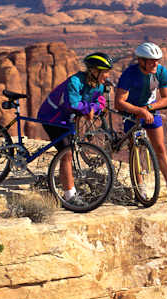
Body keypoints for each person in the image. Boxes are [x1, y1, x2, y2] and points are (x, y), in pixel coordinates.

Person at [114, 42, 167, 202]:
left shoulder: (160, 72)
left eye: (157, 60)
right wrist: (139, 110)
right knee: (135, 151)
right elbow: (119, 102)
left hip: (151, 111)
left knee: (160, 148)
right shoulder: (129, 74)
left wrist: (148, 107)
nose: (155, 63)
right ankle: (140, 190)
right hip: (132, 114)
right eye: (151, 61)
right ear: (141, 61)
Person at [37, 52, 112, 202]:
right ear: (94, 71)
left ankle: (69, 189)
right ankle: (70, 196)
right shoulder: (75, 81)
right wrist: (87, 109)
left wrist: (93, 108)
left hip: (68, 119)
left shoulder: (98, 85)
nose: (107, 76)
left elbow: (101, 102)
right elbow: (72, 103)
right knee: (67, 154)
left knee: (69, 151)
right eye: (105, 72)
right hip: (53, 117)